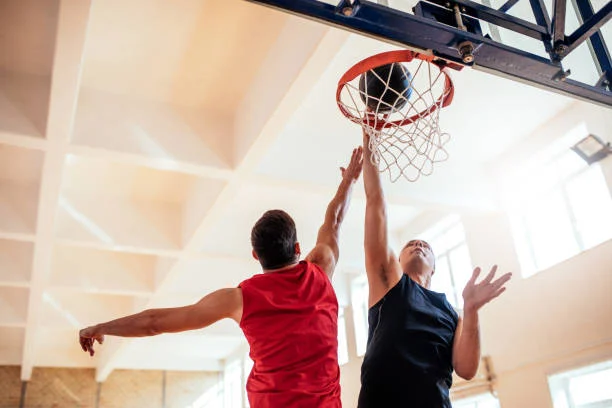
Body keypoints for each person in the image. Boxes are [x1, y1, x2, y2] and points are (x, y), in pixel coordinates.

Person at [79, 147, 364, 408]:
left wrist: (102, 326)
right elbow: (335, 219)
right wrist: (348, 182)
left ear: (255, 255)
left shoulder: (239, 299)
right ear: (298, 248)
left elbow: (155, 323)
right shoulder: (321, 268)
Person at [357, 131, 512, 407]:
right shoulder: (388, 284)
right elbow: (376, 204)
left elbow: (466, 369)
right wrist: (369, 135)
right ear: (398, 259)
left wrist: (472, 310)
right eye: (411, 244)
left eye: (425, 246)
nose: (418, 245)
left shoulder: (451, 311)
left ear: (435, 267)